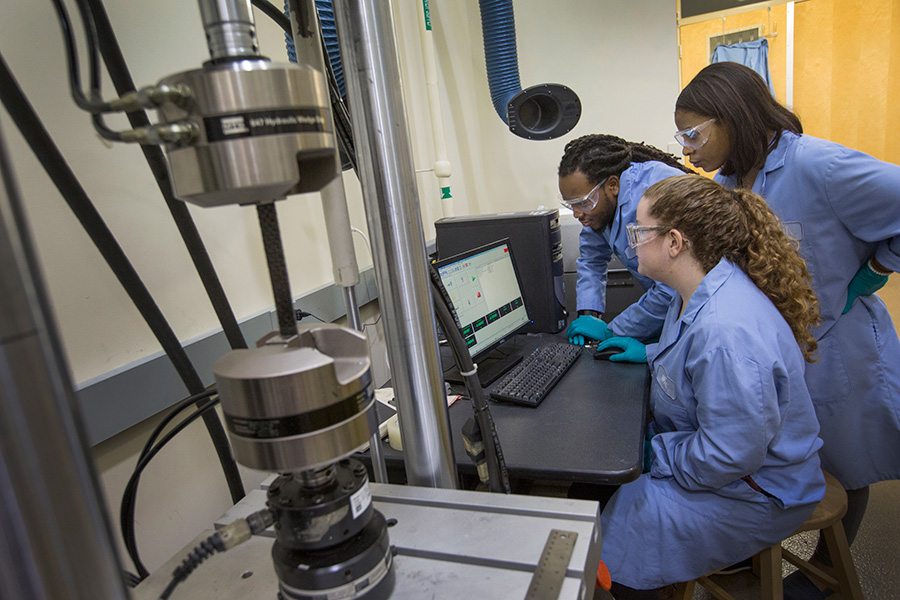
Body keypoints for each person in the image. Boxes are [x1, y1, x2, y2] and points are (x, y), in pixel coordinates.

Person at [675, 61, 900, 597]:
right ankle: (757, 557)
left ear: (731, 117)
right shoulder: (731, 180)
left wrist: (878, 266)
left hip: (835, 344)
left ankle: (822, 575)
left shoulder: (820, 166)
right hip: (773, 346)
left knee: (845, 460)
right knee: (777, 458)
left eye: (692, 133)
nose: (686, 149)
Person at [596, 174, 826, 599]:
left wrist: (653, 455)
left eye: (639, 232)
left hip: (757, 490)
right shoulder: (695, 291)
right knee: (608, 495)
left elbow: (727, 456)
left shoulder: (726, 330)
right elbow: (695, 363)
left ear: (675, 242)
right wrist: (646, 353)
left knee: (616, 540)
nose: (631, 244)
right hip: (728, 466)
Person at [558, 134, 691, 347]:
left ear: (612, 185)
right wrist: (588, 314)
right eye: (570, 204)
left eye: (582, 202)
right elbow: (592, 259)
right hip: (674, 308)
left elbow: (670, 286)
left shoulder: (649, 197)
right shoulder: (599, 208)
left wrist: (612, 331)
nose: (576, 213)